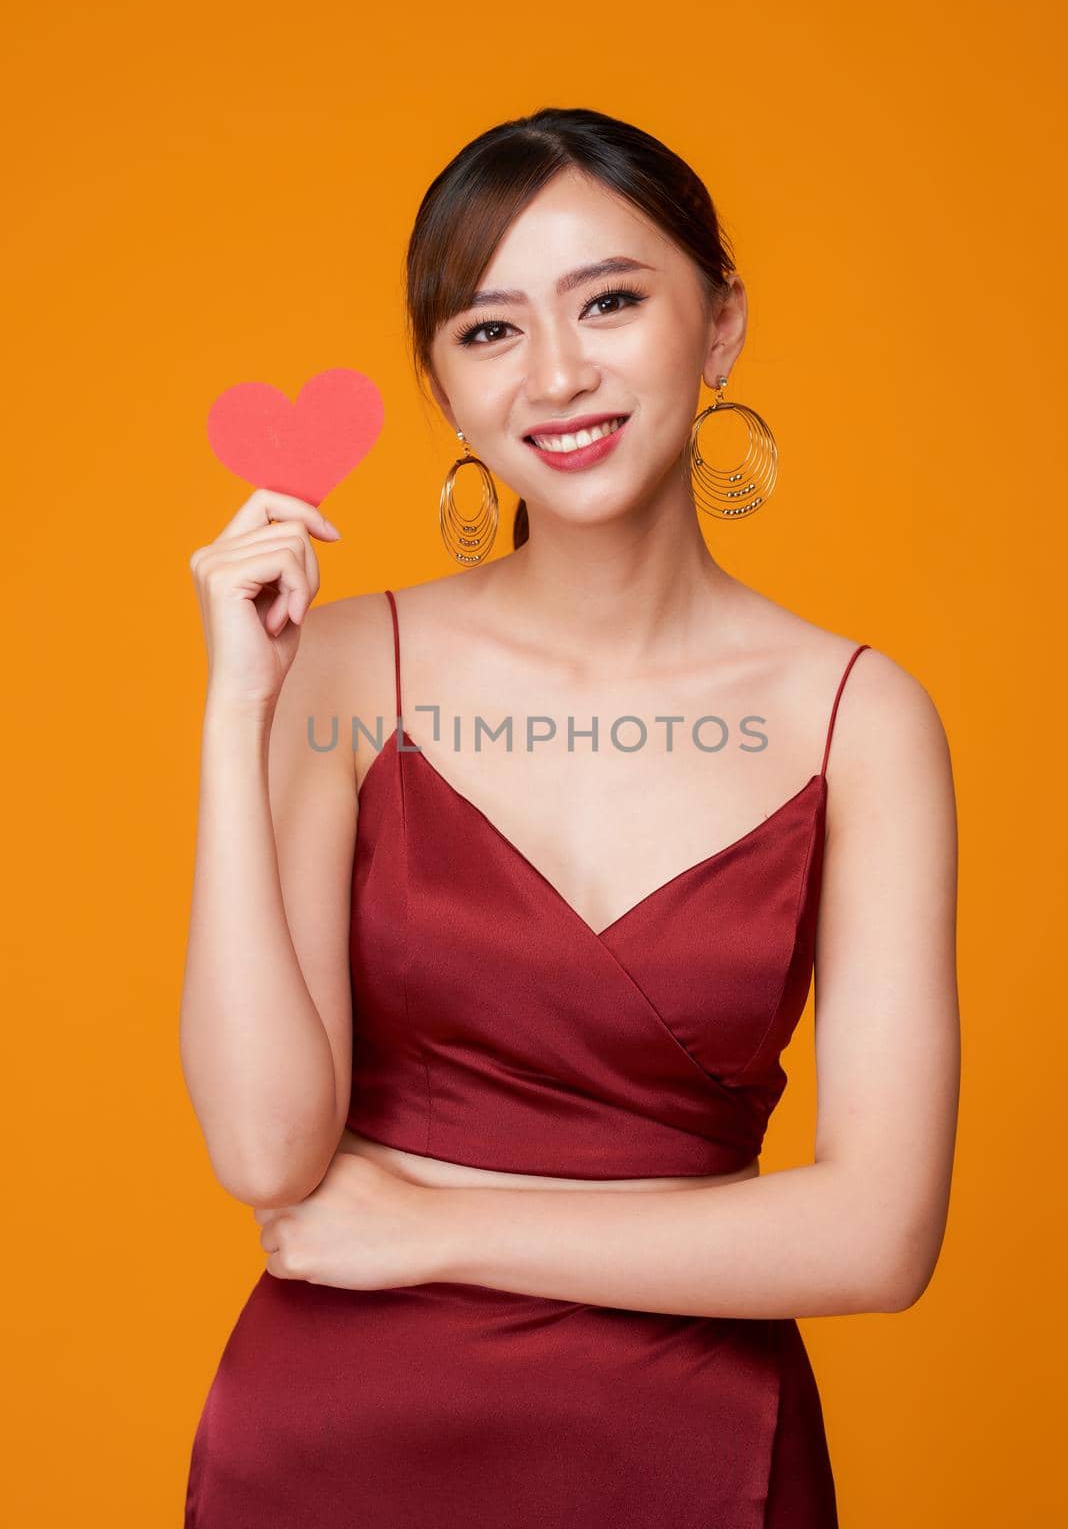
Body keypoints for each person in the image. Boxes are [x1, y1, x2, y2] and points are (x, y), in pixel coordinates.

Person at [182, 106, 960, 1528]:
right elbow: (268, 1157)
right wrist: (240, 710)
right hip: (334, 1447)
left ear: (719, 325)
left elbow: (878, 1236)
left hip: (694, 1451)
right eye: (488, 332)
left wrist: (437, 1228)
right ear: (442, 384)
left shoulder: (861, 719)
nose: (556, 374)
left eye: (610, 301)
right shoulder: (348, 669)